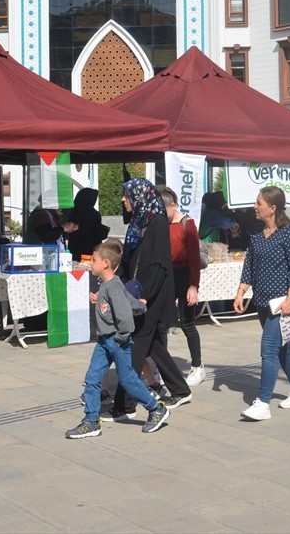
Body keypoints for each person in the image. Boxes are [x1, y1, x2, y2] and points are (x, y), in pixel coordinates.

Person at [103, 179, 192, 421]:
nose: (123, 199)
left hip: (149, 297)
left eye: (126, 195)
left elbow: (159, 264)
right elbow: (131, 259)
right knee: (152, 345)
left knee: (133, 350)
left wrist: (143, 297)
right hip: (139, 293)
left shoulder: (157, 222)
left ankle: (125, 405)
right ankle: (180, 389)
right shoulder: (141, 221)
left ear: (139, 196)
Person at [65, 239, 171, 437]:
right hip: (105, 341)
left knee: (129, 380)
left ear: (105, 263)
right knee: (92, 378)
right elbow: (129, 301)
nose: (91, 263)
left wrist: (122, 336)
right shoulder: (111, 285)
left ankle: (156, 409)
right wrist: (140, 306)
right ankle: (91, 421)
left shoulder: (112, 286)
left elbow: (124, 317)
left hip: (116, 340)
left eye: (94, 260)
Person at [232, 186, 290, 421]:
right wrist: (240, 292)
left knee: (268, 349)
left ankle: (262, 402)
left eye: (259, 203)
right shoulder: (256, 232)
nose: (255, 206)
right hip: (262, 300)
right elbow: (249, 264)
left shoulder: (289, 232)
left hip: (283, 302)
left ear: (272, 208)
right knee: (283, 346)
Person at [159, 186, 206, 387]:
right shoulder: (160, 224)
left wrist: (193, 286)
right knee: (161, 324)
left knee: (187, 323)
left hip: (185, 276)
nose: (162, 214)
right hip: (166, 277)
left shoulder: (188, 224)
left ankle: (197, 366)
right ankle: (162, 368)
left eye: (164, 210)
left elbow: (194, 259)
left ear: (173, 205)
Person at [63, 188, 110, 260]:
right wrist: (105, 230)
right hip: (90, 251)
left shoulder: (72, 213)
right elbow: (99, 232)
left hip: (74, 250)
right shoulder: (93, 214)